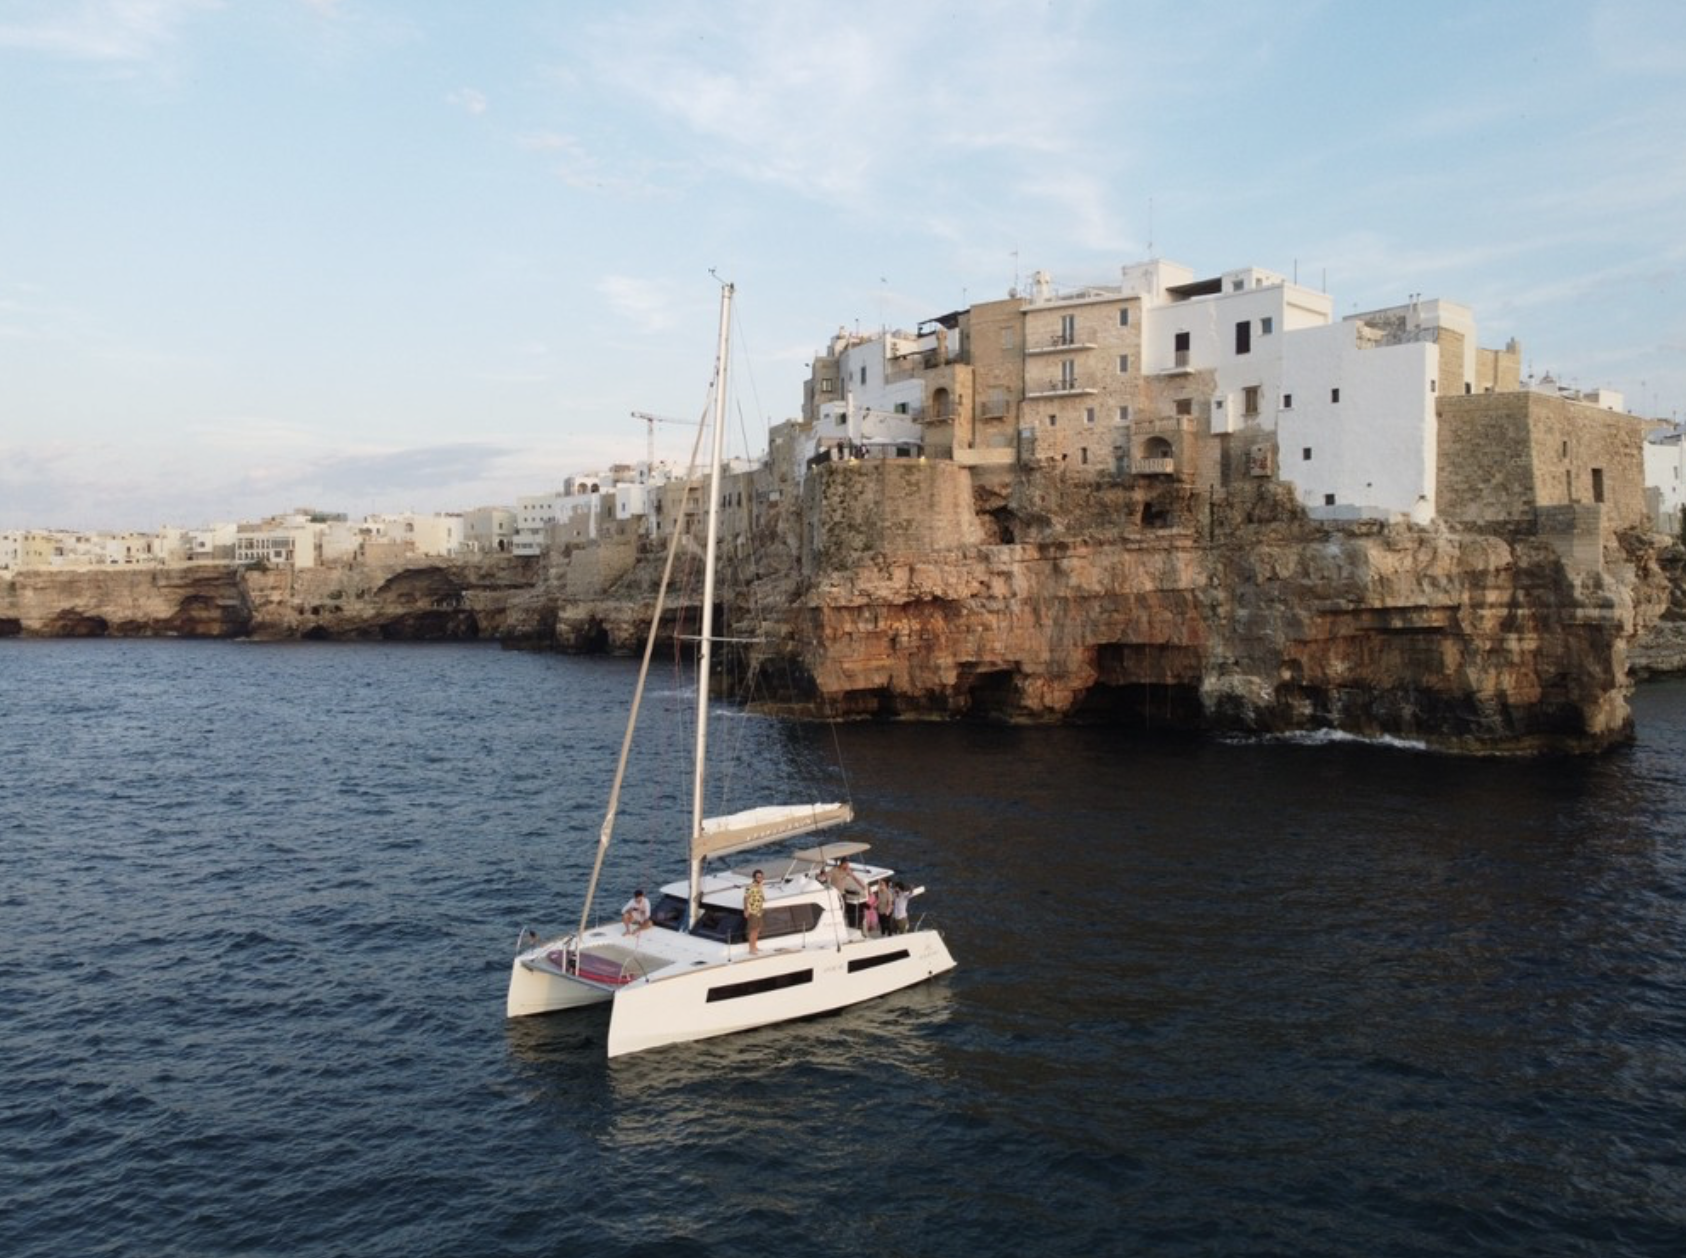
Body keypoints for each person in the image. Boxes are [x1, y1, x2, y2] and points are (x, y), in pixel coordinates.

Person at [829, 858, 869, 930]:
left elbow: (854, 878)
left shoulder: (847, 870)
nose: (848, 866)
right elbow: (826, 875)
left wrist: (862, 886)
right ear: (842, 864)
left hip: (842, 894)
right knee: (835, 909)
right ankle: (835, 924)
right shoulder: (834, 870)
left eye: (848, 864)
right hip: (835, 894)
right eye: (846, 864)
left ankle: (841, 923)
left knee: (843, 909)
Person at [744, 869, 766, 954]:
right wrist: (746, 909)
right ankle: (751, 949)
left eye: (761, 877)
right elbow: (745, 898)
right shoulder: (750, 886)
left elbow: (760, 896)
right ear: (754, 877)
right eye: (758, 877)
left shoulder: (760, 886)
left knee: (757, 929)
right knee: (753, 930)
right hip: (752, 911)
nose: (760, 878)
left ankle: (755, 946)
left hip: (759, 911)